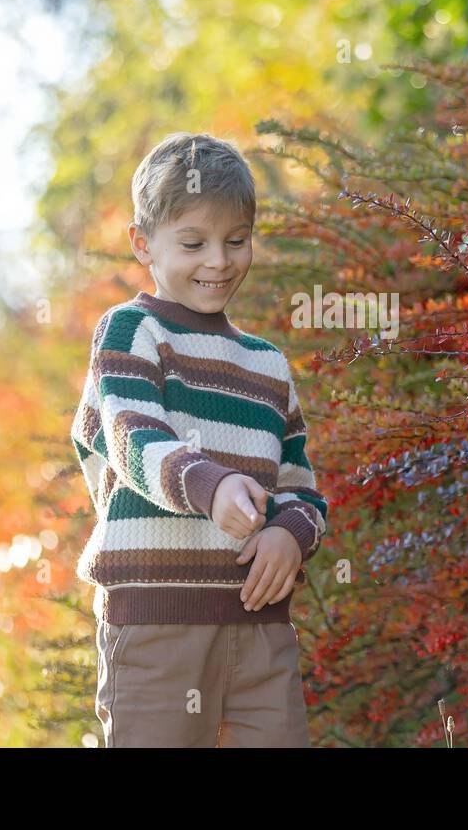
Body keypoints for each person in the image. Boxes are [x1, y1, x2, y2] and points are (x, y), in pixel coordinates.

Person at [70, 132, 327, 747]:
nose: (218, 260)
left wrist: (292, 537)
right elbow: (131, 437)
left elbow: (300, 489)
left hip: (260, 627)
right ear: (143, 243)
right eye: (193, 243)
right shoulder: (131, 332)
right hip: (157, 624)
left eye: (236, 241)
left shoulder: (267, 365)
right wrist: (210, 487)